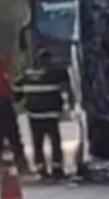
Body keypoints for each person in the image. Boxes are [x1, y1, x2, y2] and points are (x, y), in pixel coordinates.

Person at [13, 51, 73, 180]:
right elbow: (67, 88)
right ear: (49, 60)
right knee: (55, 142)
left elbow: (16, 91)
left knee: (37, 143)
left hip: (34, 115)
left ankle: (42, 170)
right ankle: (57, 169)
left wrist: (22, 103)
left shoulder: (27, 75)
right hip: (51, 114)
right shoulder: (56, 74)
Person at [0, 49, 29, 173]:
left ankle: (18, 165)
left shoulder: (1, 71)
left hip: (5, 106)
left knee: (12, 138)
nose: (0, 58)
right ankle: (5, 166)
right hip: (0, 109)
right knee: (2, 138)